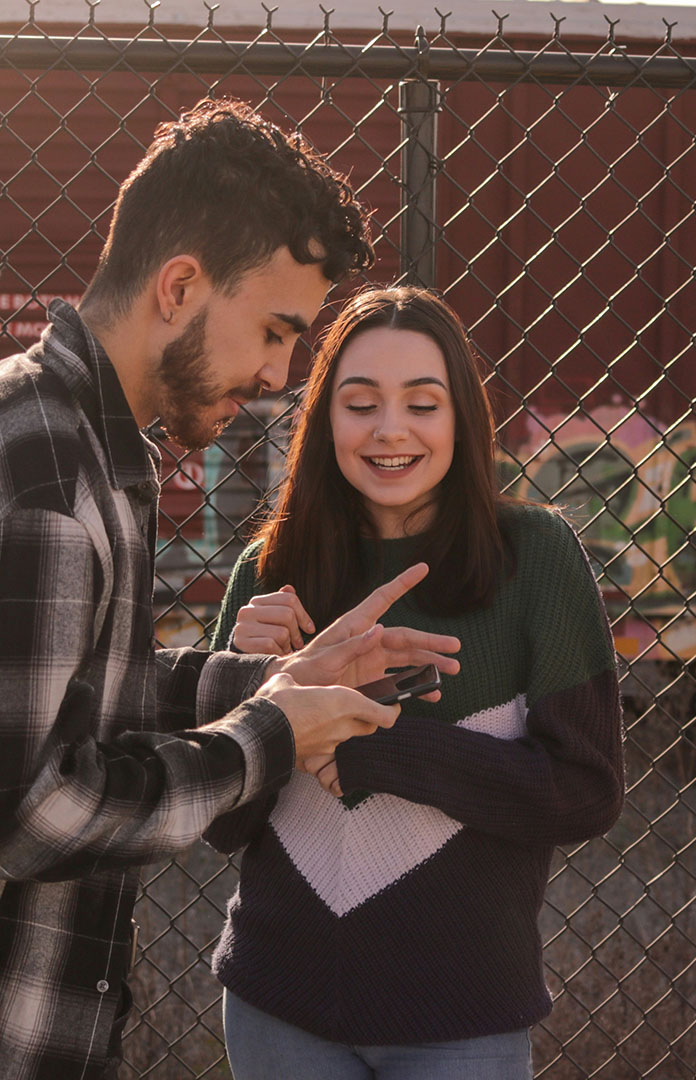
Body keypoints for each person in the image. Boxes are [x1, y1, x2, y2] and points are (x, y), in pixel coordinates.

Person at [0, 100, 460, 1080]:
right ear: (179, 286)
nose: (280, 372)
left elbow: (78, 686)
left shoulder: (86, 444)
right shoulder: (47, 480)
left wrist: (274, 677)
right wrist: (271, 735)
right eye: (275, 329)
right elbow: (31, 812)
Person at [203, 285, 625, 1080]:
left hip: (461, 1018)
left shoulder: (535, 556)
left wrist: (382, 749)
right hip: (275, 1007)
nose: (390, 429)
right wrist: (249, 686)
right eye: (360, 403)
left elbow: (587, 791)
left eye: (422, 404)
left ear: (461, 417)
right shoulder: (269, 570)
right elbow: (222, 826)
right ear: (325, 420)